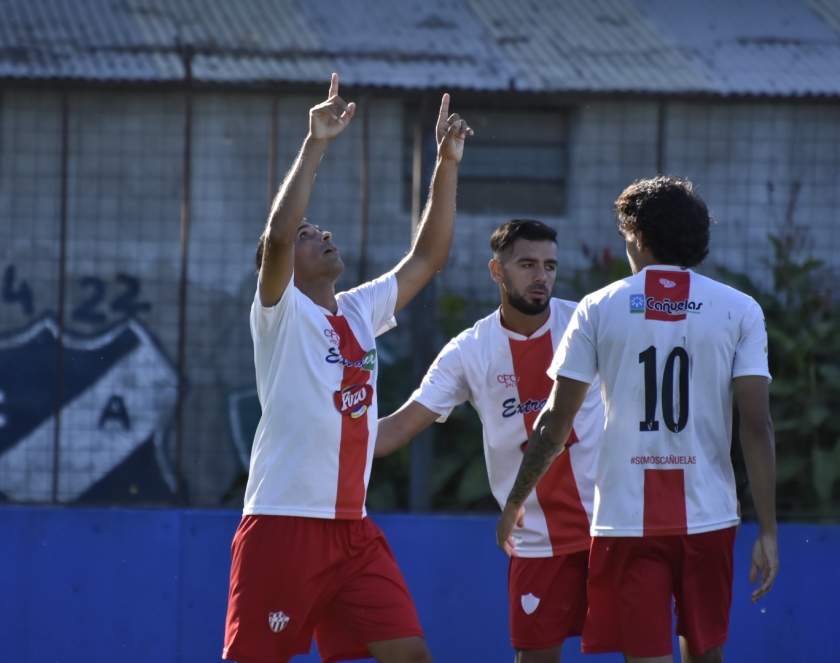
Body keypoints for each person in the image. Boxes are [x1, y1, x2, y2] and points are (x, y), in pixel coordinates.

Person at [223, 74, 472, 663]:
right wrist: (317, 142)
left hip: (353, 531)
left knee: (409, 654)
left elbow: (428, 257)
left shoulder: (358, 310)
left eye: (322, 230)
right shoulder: (279, 312)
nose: (322, 234)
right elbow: (279, 235)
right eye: (311, 236)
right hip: (285, 523)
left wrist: (447, 161)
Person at [497, 176, 779, 663]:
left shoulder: (598, 308)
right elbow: (756, 426)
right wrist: (769, 532)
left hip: (627, 521)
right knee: (706, 655)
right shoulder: (740, 309)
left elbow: (554, 423)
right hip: (709, 517)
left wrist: (514, 500)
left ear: (640, 238)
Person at [374, 219, 605, 663]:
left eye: (550, 266)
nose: (541, 276)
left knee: (645, 651)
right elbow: (400, 428)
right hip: (535, 540)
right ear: (497, 272)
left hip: (612, 527)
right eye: (527, 264)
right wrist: (325, 437)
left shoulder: (589, 322)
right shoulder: (469, 350)